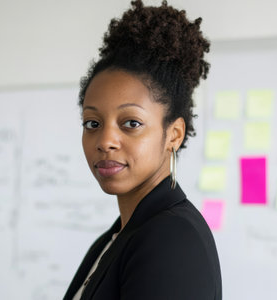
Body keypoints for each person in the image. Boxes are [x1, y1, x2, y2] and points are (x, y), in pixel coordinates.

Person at [63, 0, 222, 299]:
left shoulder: (172, 239)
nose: (105, 140)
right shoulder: (117, 237)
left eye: (131, 123)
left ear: (173, 134)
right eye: (93, 123)